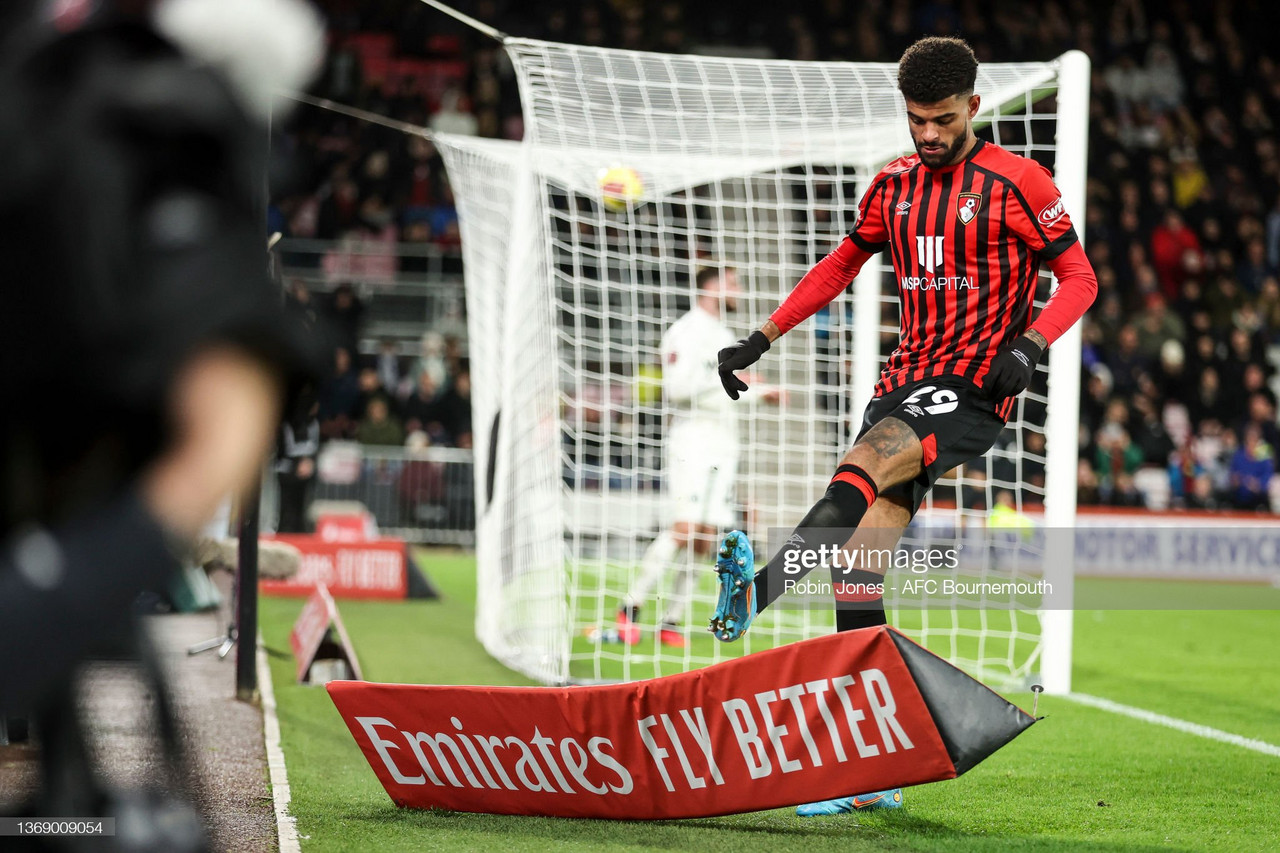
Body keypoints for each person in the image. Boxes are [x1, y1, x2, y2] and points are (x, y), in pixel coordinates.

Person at [713, 37, 1097, 815]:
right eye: (917, 119)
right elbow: (837, 266)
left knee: (862, 463)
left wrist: (1030, 344)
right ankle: (869, 773)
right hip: (902, 383)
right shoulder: (891, 185)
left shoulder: (1020, 183)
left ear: (973, 109)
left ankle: (753, 596)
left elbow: (1079, 277)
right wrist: (760, 339)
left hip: (974, 388)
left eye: (942, 119)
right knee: (856, 574)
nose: (928, 134)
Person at [616, 267, 779, 647]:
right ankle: (631, 606)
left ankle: (670, 620)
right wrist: (749, 388)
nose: (738, 289)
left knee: (705, 538)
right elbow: (676, 389)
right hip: (693, 438)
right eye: (733, 282)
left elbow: (730, 389)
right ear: (711, 285)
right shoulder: (685, 331)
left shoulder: (725, 336)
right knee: (686, 527)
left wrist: (760, 391)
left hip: (724, 442)